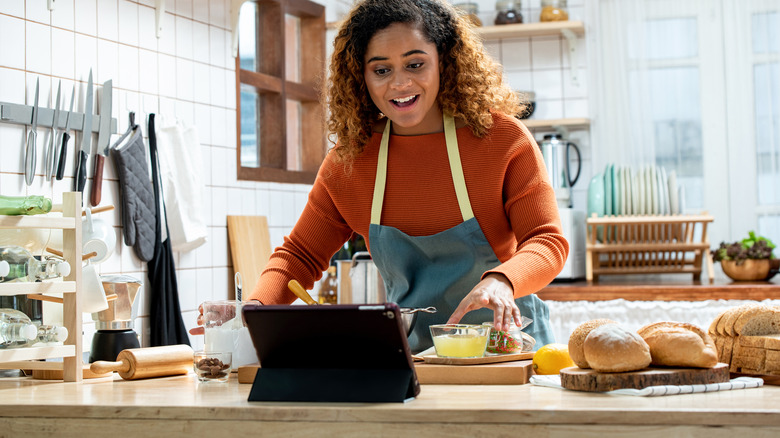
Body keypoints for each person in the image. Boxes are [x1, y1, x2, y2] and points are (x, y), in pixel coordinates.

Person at [200, 0, 568, 353]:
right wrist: (253, 308)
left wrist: (503, 280)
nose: (399, 84)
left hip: (507, 350)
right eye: (381, 70)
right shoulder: (351, 160)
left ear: (445, 61)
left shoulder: (502, 140)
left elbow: (546, 241)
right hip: (415, 356)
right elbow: (300, 255)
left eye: (415, 64)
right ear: (361, 77)